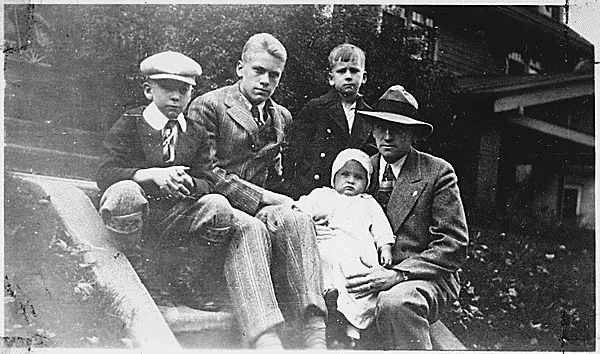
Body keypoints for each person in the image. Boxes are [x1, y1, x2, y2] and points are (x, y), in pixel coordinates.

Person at [187, 33, 326, 350]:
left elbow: (275, 179)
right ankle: (265, 337)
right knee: (249, 227)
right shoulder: (209, 106)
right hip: (214, 210)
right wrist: (266, 198)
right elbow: (206, 173)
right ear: (240, 68)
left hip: (256, 210)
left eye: (274, 75)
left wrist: (292, 204)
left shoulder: (281, 117)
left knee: (297, 220)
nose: (265, 80)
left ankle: (314, 330)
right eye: (258, 71)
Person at [95, 51, 236, 283]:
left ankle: (184, 279)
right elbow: (105, 172)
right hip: (137, 213)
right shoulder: (131, 122)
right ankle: (136, 270)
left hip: (175, 216)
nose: (175, 97)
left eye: (183, 90)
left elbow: (209, 180)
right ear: (148, 90)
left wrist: (189, 183)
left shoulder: (196, 132)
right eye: (167, 88)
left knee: (218, 206)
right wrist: (152, 175)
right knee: (124, 192)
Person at [346, 85, 469, 350]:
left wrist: (400, 275)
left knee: (395, 303)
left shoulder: (437, 172)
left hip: (424, 276)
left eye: (398, 129)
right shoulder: (360, 170)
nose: (387, 136)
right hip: (370, 270)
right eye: (381, 127)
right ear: (372, 129)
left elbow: (453, 245)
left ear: (413, 133)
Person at [292, 148, 395, 347]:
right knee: (323, 263)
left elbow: (381, 227)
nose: (350, 181)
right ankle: (327, 307)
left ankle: (351, 325)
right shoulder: (324, 195)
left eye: (358, 177)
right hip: (329, 245)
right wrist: (308, 222)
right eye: (345, 174)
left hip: (358, 252)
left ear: (366, 183)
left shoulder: (369, 203)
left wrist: (385, 247)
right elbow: (301, 208)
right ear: (334, 176)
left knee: (358, 280)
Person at [285, 43, 375, 199]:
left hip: (351, 193)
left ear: (364, 77)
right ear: (331, 78)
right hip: (314, 190)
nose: (348, 76)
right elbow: (295, 152)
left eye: (354, 71)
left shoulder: (370, 116)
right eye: (341, 71)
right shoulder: (316, 108)